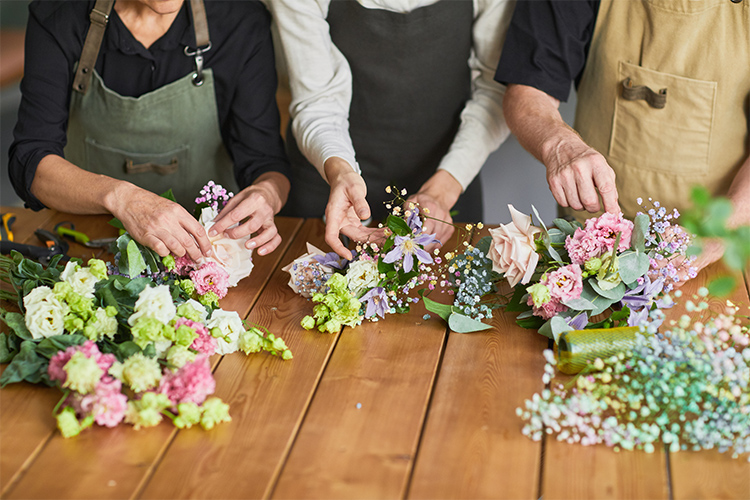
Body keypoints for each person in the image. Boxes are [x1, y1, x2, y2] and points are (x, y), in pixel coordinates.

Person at [9, 0, 291, 261]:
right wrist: (122, 198)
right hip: (81, 240)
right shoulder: (62, 15)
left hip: (203, 251)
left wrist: (267, 193)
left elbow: (266, 162)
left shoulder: (240, 20)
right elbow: (31, 163)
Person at [495, 0, 750, 272]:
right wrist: (560, 144)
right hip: (594, 240)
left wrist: (716, 234)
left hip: (726, 242)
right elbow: (527, 89)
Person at [268, 0, 514, 259]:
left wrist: (441, 192)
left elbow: (495, 90)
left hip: (449, 174)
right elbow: (317, 100)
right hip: (328, 179)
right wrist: (340, 172)